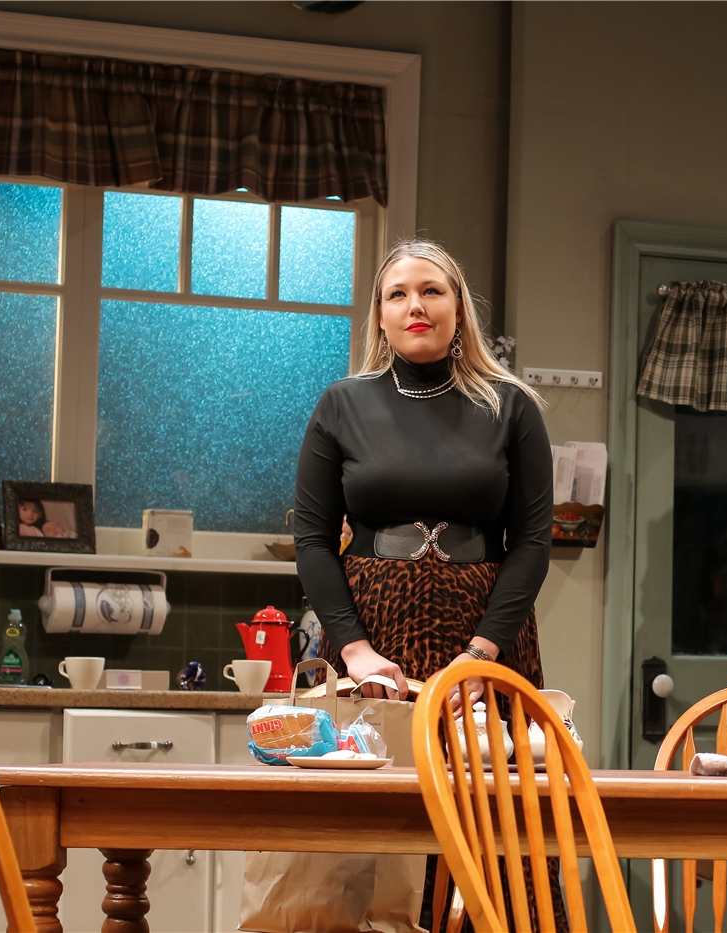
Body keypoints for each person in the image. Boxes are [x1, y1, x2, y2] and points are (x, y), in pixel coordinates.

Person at [292, 237, 563, 930]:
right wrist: (353, 649)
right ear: (380, 316)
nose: (416, 305)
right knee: (373, 841)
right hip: (372, 638)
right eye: (398, 294)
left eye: (432, 290)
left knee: (497, 843)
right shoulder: (341, 404)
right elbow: (314, 541)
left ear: (459, 308)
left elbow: (533, 543)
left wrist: (481, 654)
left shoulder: (511, 407)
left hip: (488, 639)